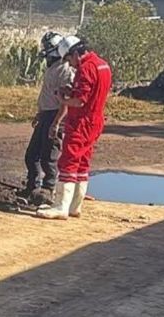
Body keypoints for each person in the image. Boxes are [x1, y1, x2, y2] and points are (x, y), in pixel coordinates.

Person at [38, 36, 112, 220]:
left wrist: (63, 100)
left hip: (81, 122)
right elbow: (92, 92)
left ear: (76, 54)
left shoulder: (85, 68)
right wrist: (71, 91)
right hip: (95, 121)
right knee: (82, 163)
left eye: (69, 59)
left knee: (68, 162)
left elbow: (80, 101)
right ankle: (74, 206)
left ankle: (60, 207)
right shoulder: (102, 65)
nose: (70, 65)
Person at [18, 32, 75, 205]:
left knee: (48, 157)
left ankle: (48, 190)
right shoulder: (52, 68)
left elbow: (65, 101)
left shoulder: (65, 70)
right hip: (46, 114)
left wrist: (57, 123)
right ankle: (33, 187)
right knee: (32, 155)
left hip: (55, 115)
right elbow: (48, 95)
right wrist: (40, 114)